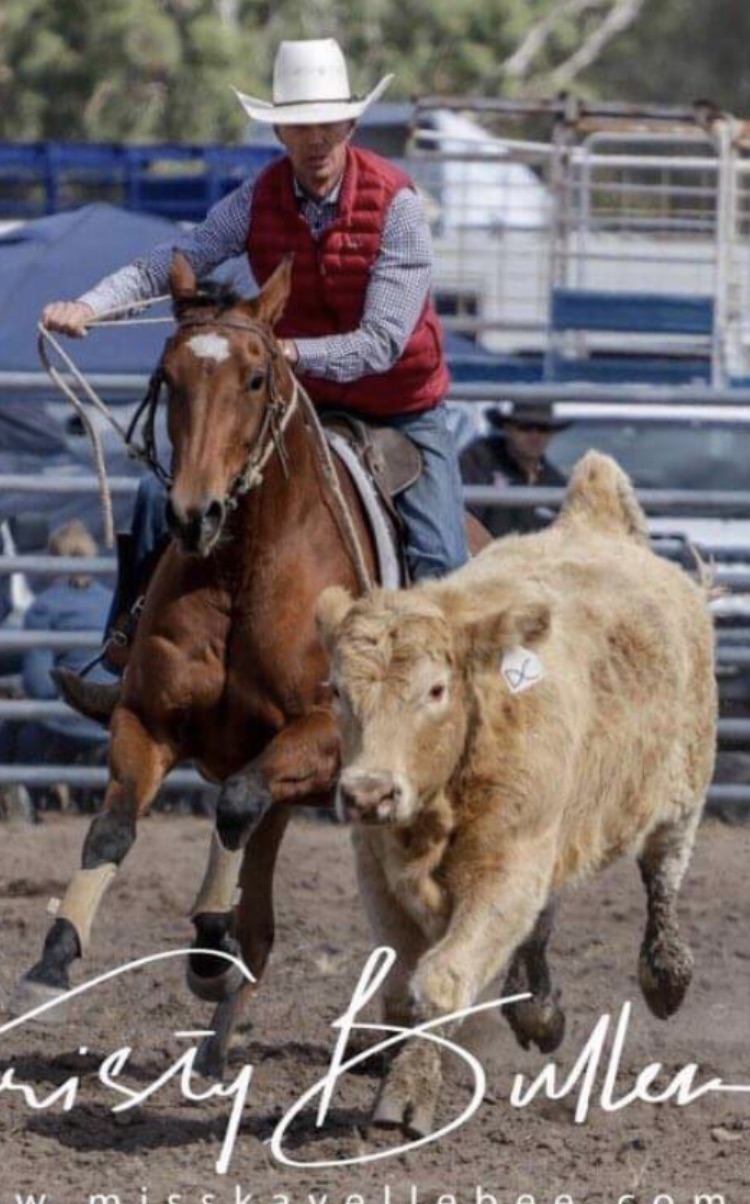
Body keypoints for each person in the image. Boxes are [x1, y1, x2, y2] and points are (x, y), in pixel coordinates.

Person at [41, 38, 469, 716]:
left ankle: (455, 706)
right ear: (280, 132)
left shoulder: (398, 206)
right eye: (300, 125)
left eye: (327, 124)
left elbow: (384, 342)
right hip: (295, 401)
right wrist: (91, 305)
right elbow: (176, 258)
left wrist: (289, 354)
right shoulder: (258, 199)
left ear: (350, 125)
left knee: (441, 554)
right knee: (161, 499)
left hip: (399, 406)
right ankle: (128, 659)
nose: (316, 139)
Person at [0, 521, 110, 774]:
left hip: (68, 724)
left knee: (14, 729)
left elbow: (40, 687)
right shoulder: (113, 601)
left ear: (53, 560)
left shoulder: (45, 607)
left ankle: (24, 791)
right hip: (113, 721)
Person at [460, 399, 570, 538]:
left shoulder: (557, 484)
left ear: (551, 433)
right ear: (507, 427)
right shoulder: (479, 460)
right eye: (525, 426)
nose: (535, 435)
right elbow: (462, 520)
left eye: (543, 428)